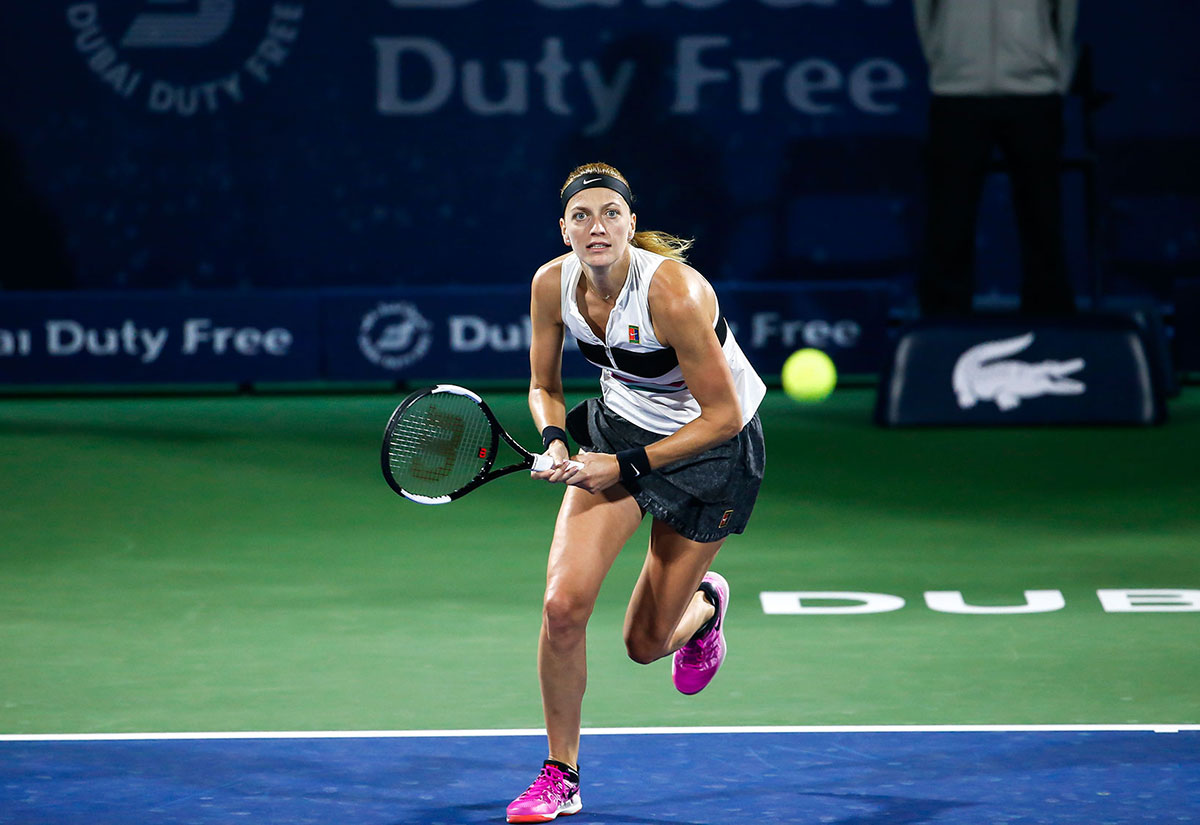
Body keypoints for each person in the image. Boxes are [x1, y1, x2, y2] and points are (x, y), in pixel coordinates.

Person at [507, 162, 767, 823]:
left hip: (708, 450)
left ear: (630, 223)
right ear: (563, 229)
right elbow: (545, 385)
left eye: (610, 214)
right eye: (582, 216)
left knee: (645, 643)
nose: (597, 226)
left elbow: (724, 416)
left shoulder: (673, 294)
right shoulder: (550, 284)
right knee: (562, 607)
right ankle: (560, 774)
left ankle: (704, 609)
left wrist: (621, 465)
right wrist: (559, 440)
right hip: (620, 429)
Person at [914, 0, 1080, 317]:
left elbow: (1065, 12)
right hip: (957, 94)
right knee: (950, 217)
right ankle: (943, 321)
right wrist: (944, 61)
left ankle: (1050, 317)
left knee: (1042, 215)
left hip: (1034, 93)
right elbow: (925, 9)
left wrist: (1055, 72)